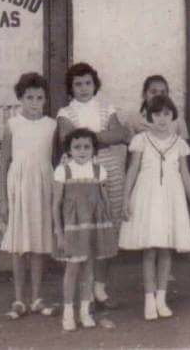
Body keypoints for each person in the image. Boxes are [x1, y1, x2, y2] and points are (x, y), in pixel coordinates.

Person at [119, 95, 190, 320]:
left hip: (171, 199)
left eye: (166, 114)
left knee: (166, 249)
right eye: (157, 114)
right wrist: (125, 199)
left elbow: (185, 175)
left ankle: (161, 299)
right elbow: (132, 170)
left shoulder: (179, 143)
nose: (162, 119)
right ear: (149, 117)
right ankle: (149, 299)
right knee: (150, 249)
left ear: (173, 117)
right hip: (147, 198)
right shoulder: (141, 140)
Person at [57, 62, 130, 310]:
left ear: (94, 84)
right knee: (83, 228)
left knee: (107, 227)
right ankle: (83, 292)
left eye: (88, 83)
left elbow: (121, 134)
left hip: (111, 172)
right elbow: (67, 139)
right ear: (71, 87)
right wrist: (102, 137)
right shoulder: (66, 112)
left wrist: (86, 139)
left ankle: (100, 288)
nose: (83, 88)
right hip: (81, 176)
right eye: (78, 84)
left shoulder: (107, 107)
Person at [0, 72, 56, 319]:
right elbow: (4, 163)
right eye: (29, 98)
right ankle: (18, 299)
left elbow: (53, 160)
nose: (34, 103)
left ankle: (36, 298)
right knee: (19, 245)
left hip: (42, 186)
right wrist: (3, 200)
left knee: (38, 242)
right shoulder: (12, 125)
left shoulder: (51, 125)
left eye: (39, 98)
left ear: (45, 99)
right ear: (20, 99)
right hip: (19, 187)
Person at [53, 129, 119, 331]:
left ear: (93, 149)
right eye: (77, 147)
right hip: (73, 229)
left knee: (89, 269)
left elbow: (105, 201)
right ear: (69, 150)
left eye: (87, 147)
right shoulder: (63, 171)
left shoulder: (99, 171)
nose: (82, 151)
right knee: (72, 269)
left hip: (93, 227)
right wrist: (59, 233)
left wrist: (109, 227)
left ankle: (84, 311)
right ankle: (68, 313)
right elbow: (56, 205)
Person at [125, 75, 189, 139]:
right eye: (153, 92)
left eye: (163, 93)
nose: (158, 96)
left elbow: (183, 143)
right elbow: (130, 144)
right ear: (144, 95)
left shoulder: (178, 120)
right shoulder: (133, 120)